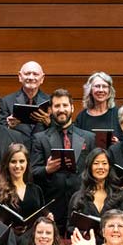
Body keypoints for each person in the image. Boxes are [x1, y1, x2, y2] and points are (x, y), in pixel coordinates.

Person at [36, 89, 90, 234]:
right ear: (50, 109)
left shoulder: (88, 137)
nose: (61, 110)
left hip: (82, 205)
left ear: (72, 108)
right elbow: (32, 172)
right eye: (57, 106)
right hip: (52, 207)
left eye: (65, 105)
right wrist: (46, 170)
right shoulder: (40, 138)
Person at [70, 146, 123, 228]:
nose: (100, 167)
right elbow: (70, 226)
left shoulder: (120, 194)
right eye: (96, 163)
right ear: (89, 167)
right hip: (87, 239)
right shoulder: (78, 196)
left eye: (104, 163)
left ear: (109, 167)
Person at [1, 59, 51, 135]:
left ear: (42, 78)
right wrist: (9, 126)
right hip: (16, 145)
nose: (31, 77)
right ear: (20, 76)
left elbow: (59, 131)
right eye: (27, 74)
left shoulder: (51, 101)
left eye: (35, 74)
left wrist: (49, 123)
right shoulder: (6, 102)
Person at [0, 141, 42, 218]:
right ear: (7, 164)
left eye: (21, 161)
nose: (18, 166)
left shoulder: (36, 190)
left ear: (27, 163)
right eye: (13, 162)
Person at [75, 71, 120, 138]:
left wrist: (118, 144)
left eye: (104, 86)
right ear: (90, 90)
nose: (101, 90)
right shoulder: (82, 117)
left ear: (109, 91)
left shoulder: (119, 115)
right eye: (97, 86)